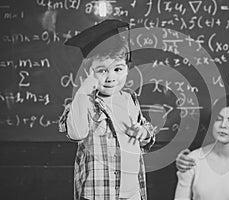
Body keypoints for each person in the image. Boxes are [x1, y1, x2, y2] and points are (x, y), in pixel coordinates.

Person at [58, 19, 156, 200]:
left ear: (127, 68)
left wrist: (144, 132)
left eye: (118, 69)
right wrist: (83, 91)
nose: (111, 77)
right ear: (89, 72)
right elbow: (77, 133)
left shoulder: (130, 99)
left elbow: (145, 130)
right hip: (101, 192)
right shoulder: (85, 102)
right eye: (102, 70)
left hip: (133, 191)